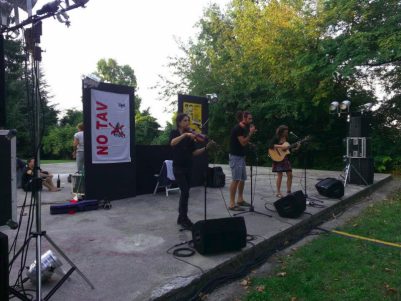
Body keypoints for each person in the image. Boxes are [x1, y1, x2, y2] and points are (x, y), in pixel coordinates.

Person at [169, 113, 213, 230]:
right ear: (179, 123)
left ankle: (181, 217)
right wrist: (185, 135)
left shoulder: (190, 137)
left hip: (188, 167)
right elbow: (172, 143)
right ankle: (184, 218)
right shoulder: (175, 133)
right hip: (178, 168)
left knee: (186, 193)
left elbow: (194, 153)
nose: (187, 123)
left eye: (188, 120)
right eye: (185, 121)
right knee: (185, 192)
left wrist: (205, 148)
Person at [228, 111, 257, 211]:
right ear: (243, 118)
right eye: (249, 119)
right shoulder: (238, 128)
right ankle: (231, 203)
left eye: (251, 119)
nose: (251, 120)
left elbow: (243, 141)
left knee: (242, 179)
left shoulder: (244, 128)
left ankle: (240, 199)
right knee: (236, 179)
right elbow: (243, 142)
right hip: (235, 157)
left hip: (241, 157)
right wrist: (251, 133)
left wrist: (250, 142)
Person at [269, 125, 300, 198]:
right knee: (280, 175)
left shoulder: (286, 138)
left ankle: (289, 191)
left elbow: (288, 150)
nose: (287, 133)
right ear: (281, 132)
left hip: (285, 159)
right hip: (278, 158)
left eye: (287, 132)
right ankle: (278, 192)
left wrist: (297, 148)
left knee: (290, 174)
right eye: (285, 132)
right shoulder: (276, 137)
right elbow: (270, 145)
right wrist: (281, 146)